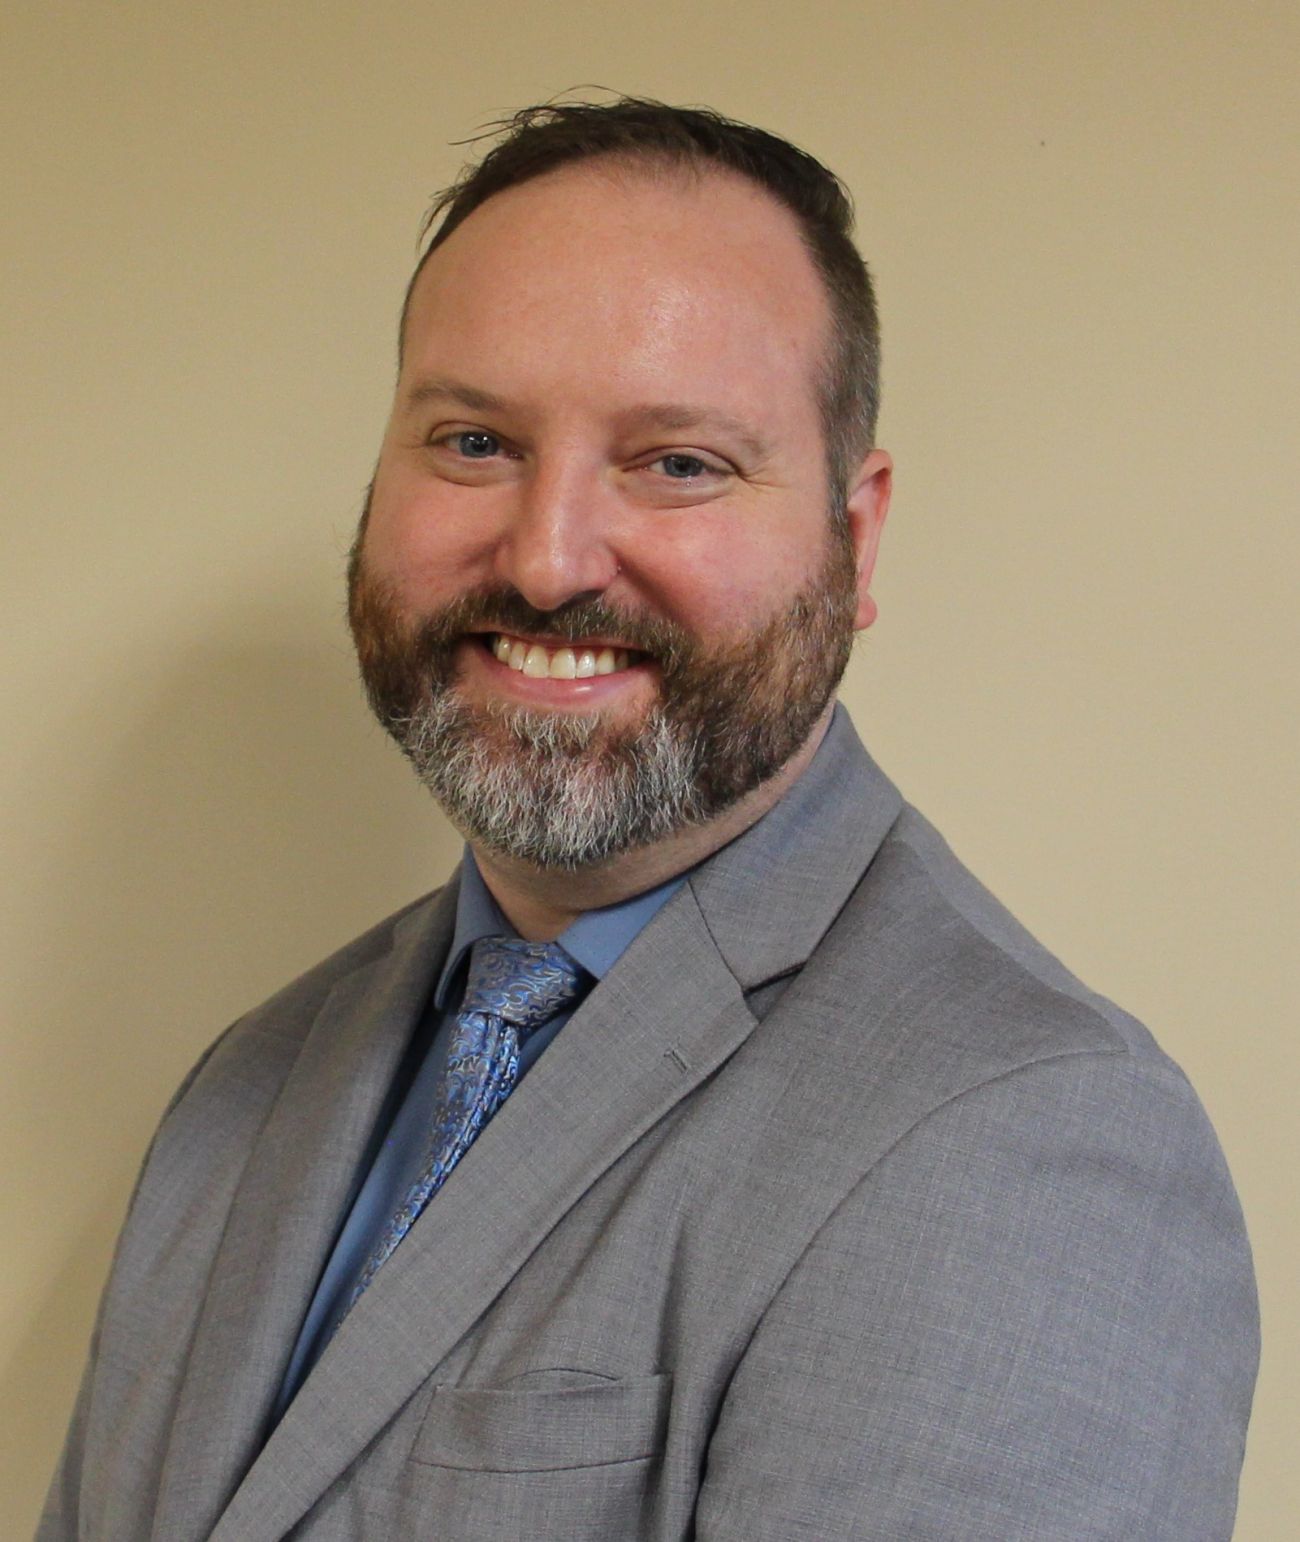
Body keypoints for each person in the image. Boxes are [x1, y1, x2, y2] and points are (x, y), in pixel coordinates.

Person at [41, 98, 1258, 1541]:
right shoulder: (248, 1086)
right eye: (475, 438)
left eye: (678, 461)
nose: (549, 559)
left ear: (853, 539)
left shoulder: (1028, 1144)